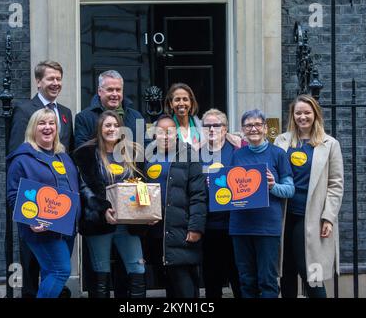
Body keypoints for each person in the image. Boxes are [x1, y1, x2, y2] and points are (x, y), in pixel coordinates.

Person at [74, 70, 146, 297]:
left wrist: (146, 210)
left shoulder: (131, 153)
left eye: (115, 126)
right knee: (101, 274)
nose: (111, 129)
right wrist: (104, 209)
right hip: (100, 221)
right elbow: (86, 187)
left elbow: (141, 183)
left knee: (137, 268)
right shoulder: (88, 153)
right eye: (107, 126)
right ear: (99, 128)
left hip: (129, 222)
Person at [8, 60, 74, 298]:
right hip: (37, 214)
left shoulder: (65, 113)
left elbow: (69, 157)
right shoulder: (25, 110)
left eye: (58, 78)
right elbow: (18, 162)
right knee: (47, 270)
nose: (55, 83)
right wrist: (29, 214)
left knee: (53, 271)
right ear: (38, 81)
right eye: (50, 78)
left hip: (64, 215)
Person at [275, 94, 344, 298]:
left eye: (307, 112)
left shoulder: (329, 144)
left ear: (315, 114)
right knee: (285, 271)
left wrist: (328, 217)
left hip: (311, 215)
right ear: (292, 115)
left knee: (311, 272)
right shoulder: (282, 140)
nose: (302, 117)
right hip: (284, 214)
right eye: (298, 113)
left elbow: (336, 184)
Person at [230, 109, 295, 298]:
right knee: (246, 280)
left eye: (258, 124)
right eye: (249, 125)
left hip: (267, 227)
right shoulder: (237, 155)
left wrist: (273, 186)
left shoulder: (278, 154)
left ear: (266, 128)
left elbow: (290, 189)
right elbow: (230, 188)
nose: (253, 129)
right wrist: (218, 187)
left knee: (267, 281)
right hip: (240, 226)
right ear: (242, 130)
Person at [144, 114, 207, 298]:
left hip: (182, 229)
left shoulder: (190, 156)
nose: (165, 136)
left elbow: (199, 194)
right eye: (160, 132)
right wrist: (145, 214)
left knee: (185, 285)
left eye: (169, 132)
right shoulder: (149, 156)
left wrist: (196, 227)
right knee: (169, 283)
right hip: (157, 231)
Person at [199, 109, 241, 298]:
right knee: (211, 279)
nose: (211, 129)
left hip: (234, 224)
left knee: (238, 277)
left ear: (225, 129)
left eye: (216, 125)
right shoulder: (195, 154)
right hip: (207, 225)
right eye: (207, 125)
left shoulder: (237, 151)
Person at [74, 70, 146, 148]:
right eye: (110, 90)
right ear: (99, 91)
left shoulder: (137, 117)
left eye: (118, 90)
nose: (115, 94)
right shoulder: (83, 118)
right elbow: (81, 151)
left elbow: (144, 148)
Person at [164, 82, 242, 151]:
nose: (181, 103)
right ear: (171, 104)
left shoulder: (203, 125)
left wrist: (227, 135)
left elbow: (216, 135)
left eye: (185, 99)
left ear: (191, 103)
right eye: (177, 99)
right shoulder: (162, 127)